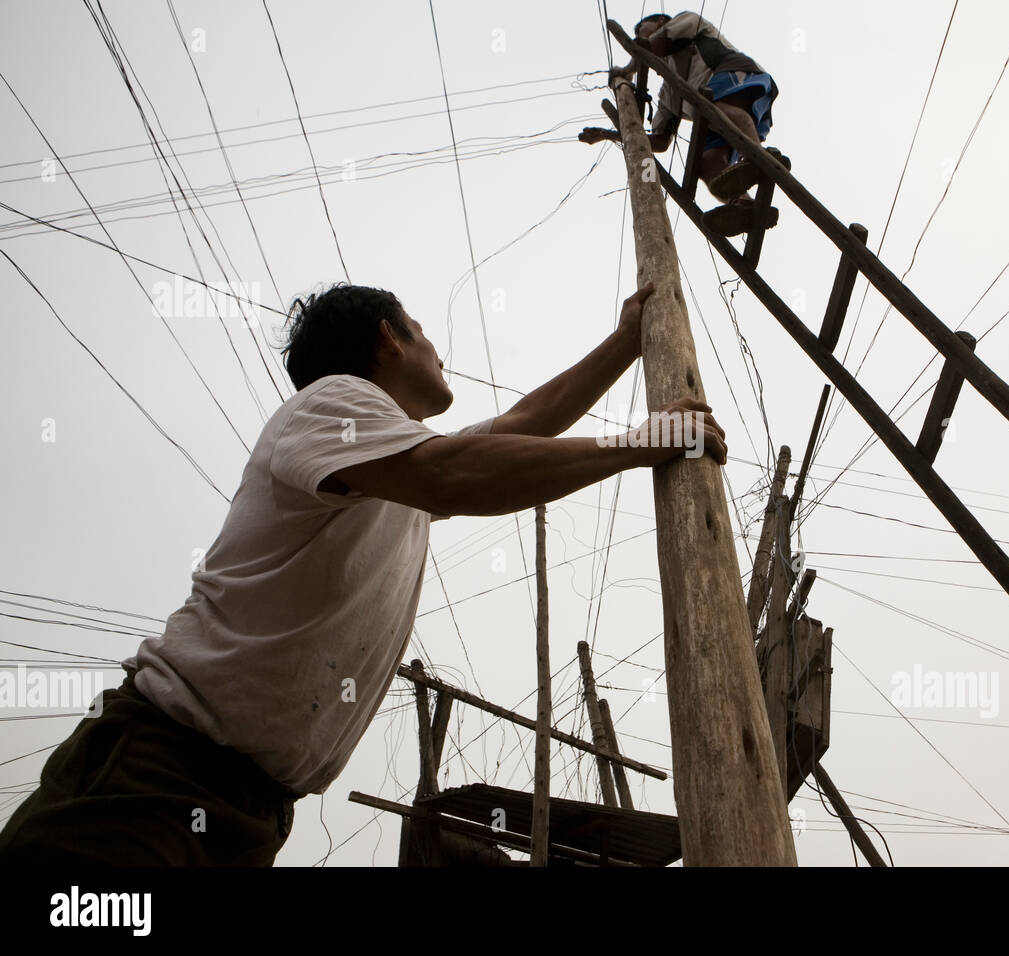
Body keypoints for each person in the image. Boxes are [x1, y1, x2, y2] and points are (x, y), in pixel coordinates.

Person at [0, 281, 726, 866]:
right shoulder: (334, 410)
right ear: (388, 335)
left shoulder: (391, 468)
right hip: (158, 775)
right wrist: (648, 441)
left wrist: (626, 343)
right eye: (423, 329)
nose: (440, 352)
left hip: (248, 808)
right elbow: (457, 473)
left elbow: (525, 423)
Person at [581, 11, 790, 236]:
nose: (639, 35)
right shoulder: (669, 89)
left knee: (716, 109)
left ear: (660, 22)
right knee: (705, 162)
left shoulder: (686, 21)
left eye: (642, 28)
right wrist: (607, 134)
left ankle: (755, 159)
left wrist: (626, 70)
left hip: (734, 75)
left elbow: (650, 45)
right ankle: (742, 204)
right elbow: (660, 141)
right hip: (708, 114)